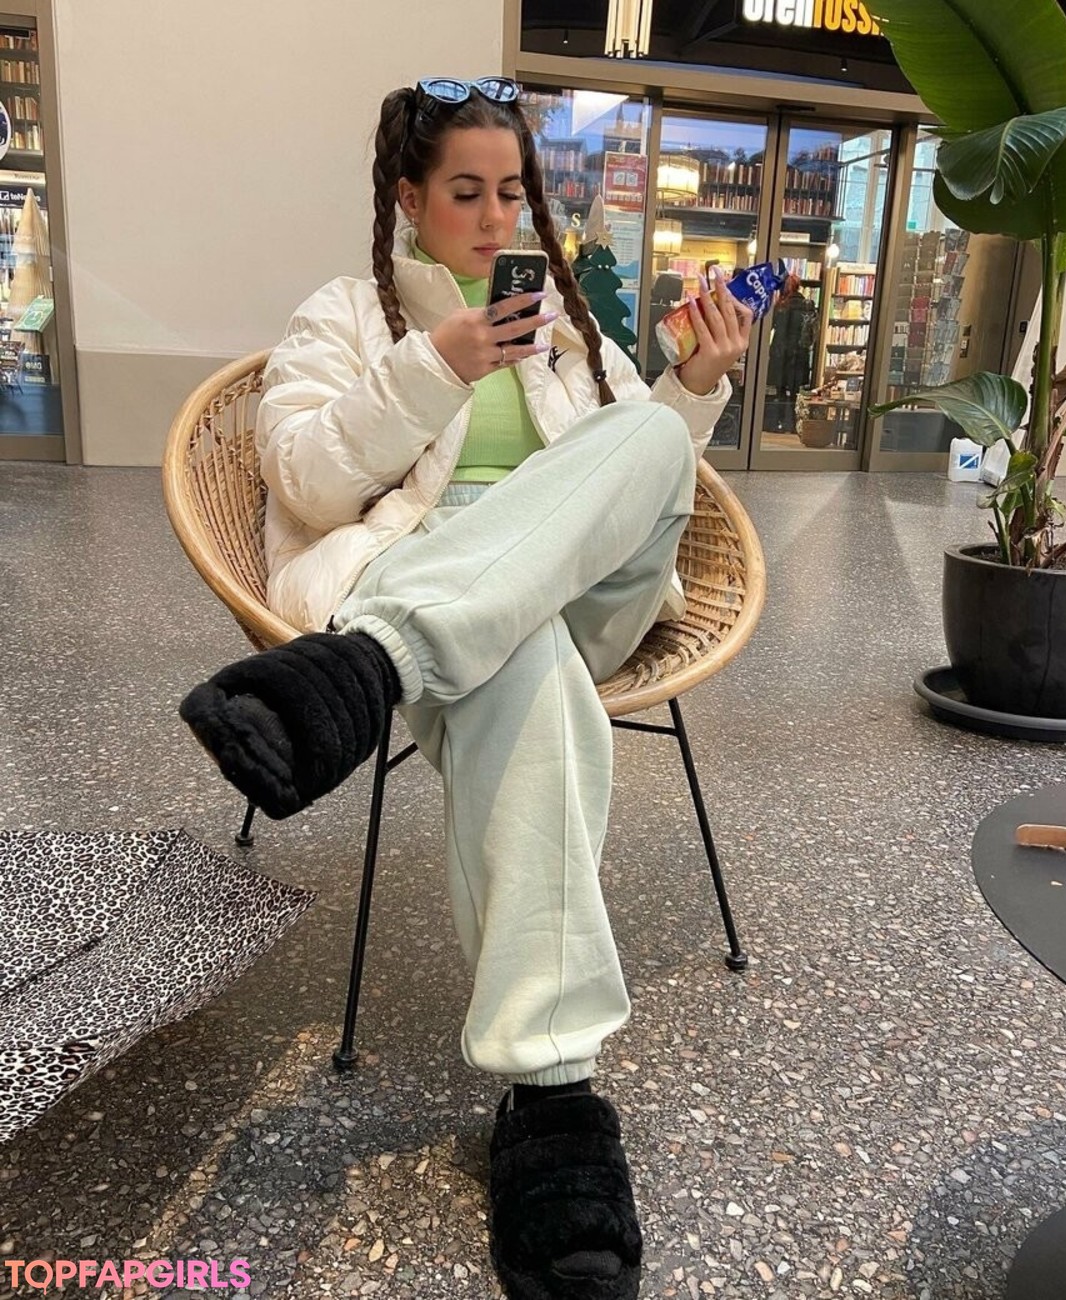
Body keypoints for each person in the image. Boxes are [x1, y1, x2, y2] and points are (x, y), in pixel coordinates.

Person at [179, 75, 752, 1300]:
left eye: (514, 193)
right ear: (409, 197)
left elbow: (640, 482)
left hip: (568, 593)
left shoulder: (568, 321)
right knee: (519, 658)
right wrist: (431, 366)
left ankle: (371, 667)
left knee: (651, 433)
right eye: (467, 193)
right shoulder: (346, 314)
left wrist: (693, 384)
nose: (498, 220)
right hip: (445, 583)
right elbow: (304, 479)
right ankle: (552, 1096)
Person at [766, 272, 817, 430]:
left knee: (780, 389)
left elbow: (769, 327)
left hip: (781, 352)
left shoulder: (780, 306)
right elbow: (813, 331)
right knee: (797, 392)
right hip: (800, 353)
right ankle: (794, 424)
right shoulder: (808, 305)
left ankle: (778, 422)